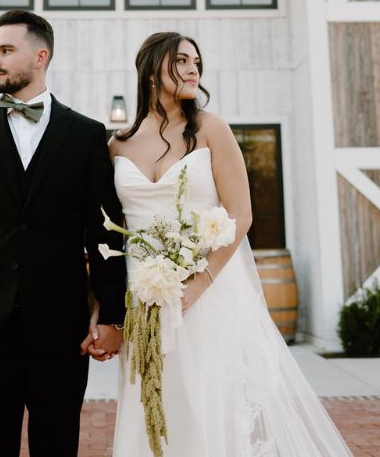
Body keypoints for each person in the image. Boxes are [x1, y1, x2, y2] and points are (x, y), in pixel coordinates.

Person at [109, 31, 353, 457]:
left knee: (210, 408)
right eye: (182, 60)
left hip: (208, 296)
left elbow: (241, 214)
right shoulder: (116, 144)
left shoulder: (211, 129)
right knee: (154, 406)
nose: (192, 70)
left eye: (197, 63)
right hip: (144, 301)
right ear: (150, 70)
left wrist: (200, 282)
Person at [0, 9, 126, 457]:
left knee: (56, 445)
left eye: (5, 50)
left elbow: (105, 232)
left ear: (40, 56)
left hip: (60, 327)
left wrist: (112, 315)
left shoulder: (86, 135)